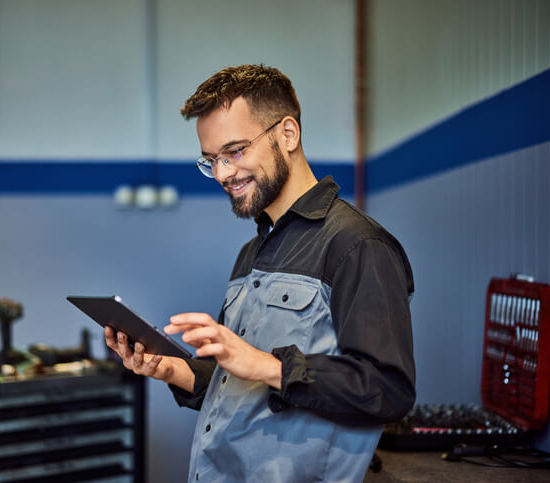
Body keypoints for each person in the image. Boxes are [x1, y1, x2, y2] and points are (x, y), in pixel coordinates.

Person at [104, 64, 415, 482]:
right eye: (211, 160)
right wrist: (170, 368)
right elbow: (236, 380)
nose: (222, 174)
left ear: (288, 134)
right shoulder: (252, 252)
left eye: (235, 151)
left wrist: (269, 366)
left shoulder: (357, 245)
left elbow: (389, 390)